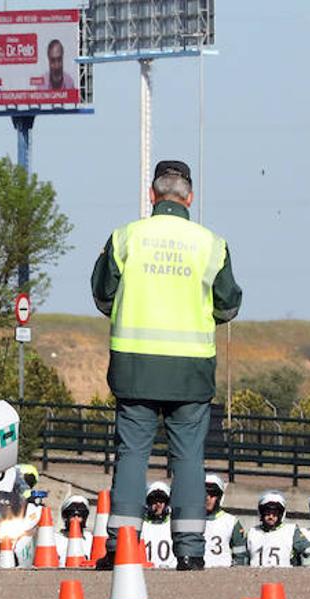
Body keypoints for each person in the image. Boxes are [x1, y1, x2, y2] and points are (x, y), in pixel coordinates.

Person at [90, 160, 243, 571]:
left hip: (135, 365)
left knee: (132, 455)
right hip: (190, 369)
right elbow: (228, 305)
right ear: (189, 198)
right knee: (189, 458)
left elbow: (103, 295)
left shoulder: (126, 238)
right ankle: (190, 551)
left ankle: (121, 547)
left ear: (152, 194)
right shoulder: (211, 244)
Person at [246, 490, 310, 567]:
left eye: (274, 513)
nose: (271, 517)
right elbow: (242, 559)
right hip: (255, 577)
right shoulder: (252, 532)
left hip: (283, 577)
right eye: (267, 513)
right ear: (261, 513)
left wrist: (307, 569)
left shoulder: (290, 531)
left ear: (281, 515)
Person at [203, 473, 247, 568]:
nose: (208, 498)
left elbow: (240, 557)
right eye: (205, 493)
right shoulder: (191, 521)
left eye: (213, 494)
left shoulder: (231, 522)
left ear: (219, 497)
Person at [140, 480, 176, 569]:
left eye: (162, 500)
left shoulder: (174, 526)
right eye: (154, 500)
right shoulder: (141, 526)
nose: (158, 504)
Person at [55, 494, 91, 565]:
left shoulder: (91, 539)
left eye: (80, 515)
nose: (76, 519)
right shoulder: (55, 539)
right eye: (72, 515)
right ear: (65, 517)